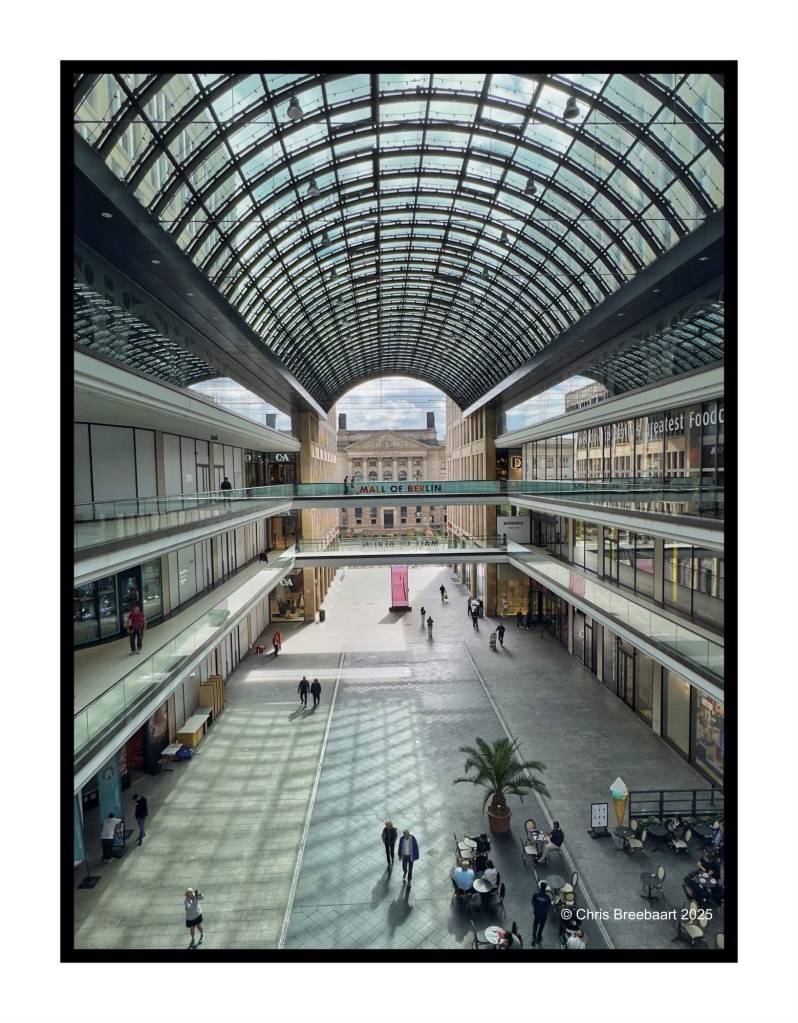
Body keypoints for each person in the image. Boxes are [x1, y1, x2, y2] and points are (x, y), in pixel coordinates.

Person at [531, 882, 551, 946]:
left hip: (537, 914)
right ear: (545, 888)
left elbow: (532, 904)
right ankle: (538, 937)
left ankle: (533, 938)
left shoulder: (535, 895)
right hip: (544, 915)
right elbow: (549, 904)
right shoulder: (547, 897)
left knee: (535, 926)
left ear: (540, 887)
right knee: (541, 926)